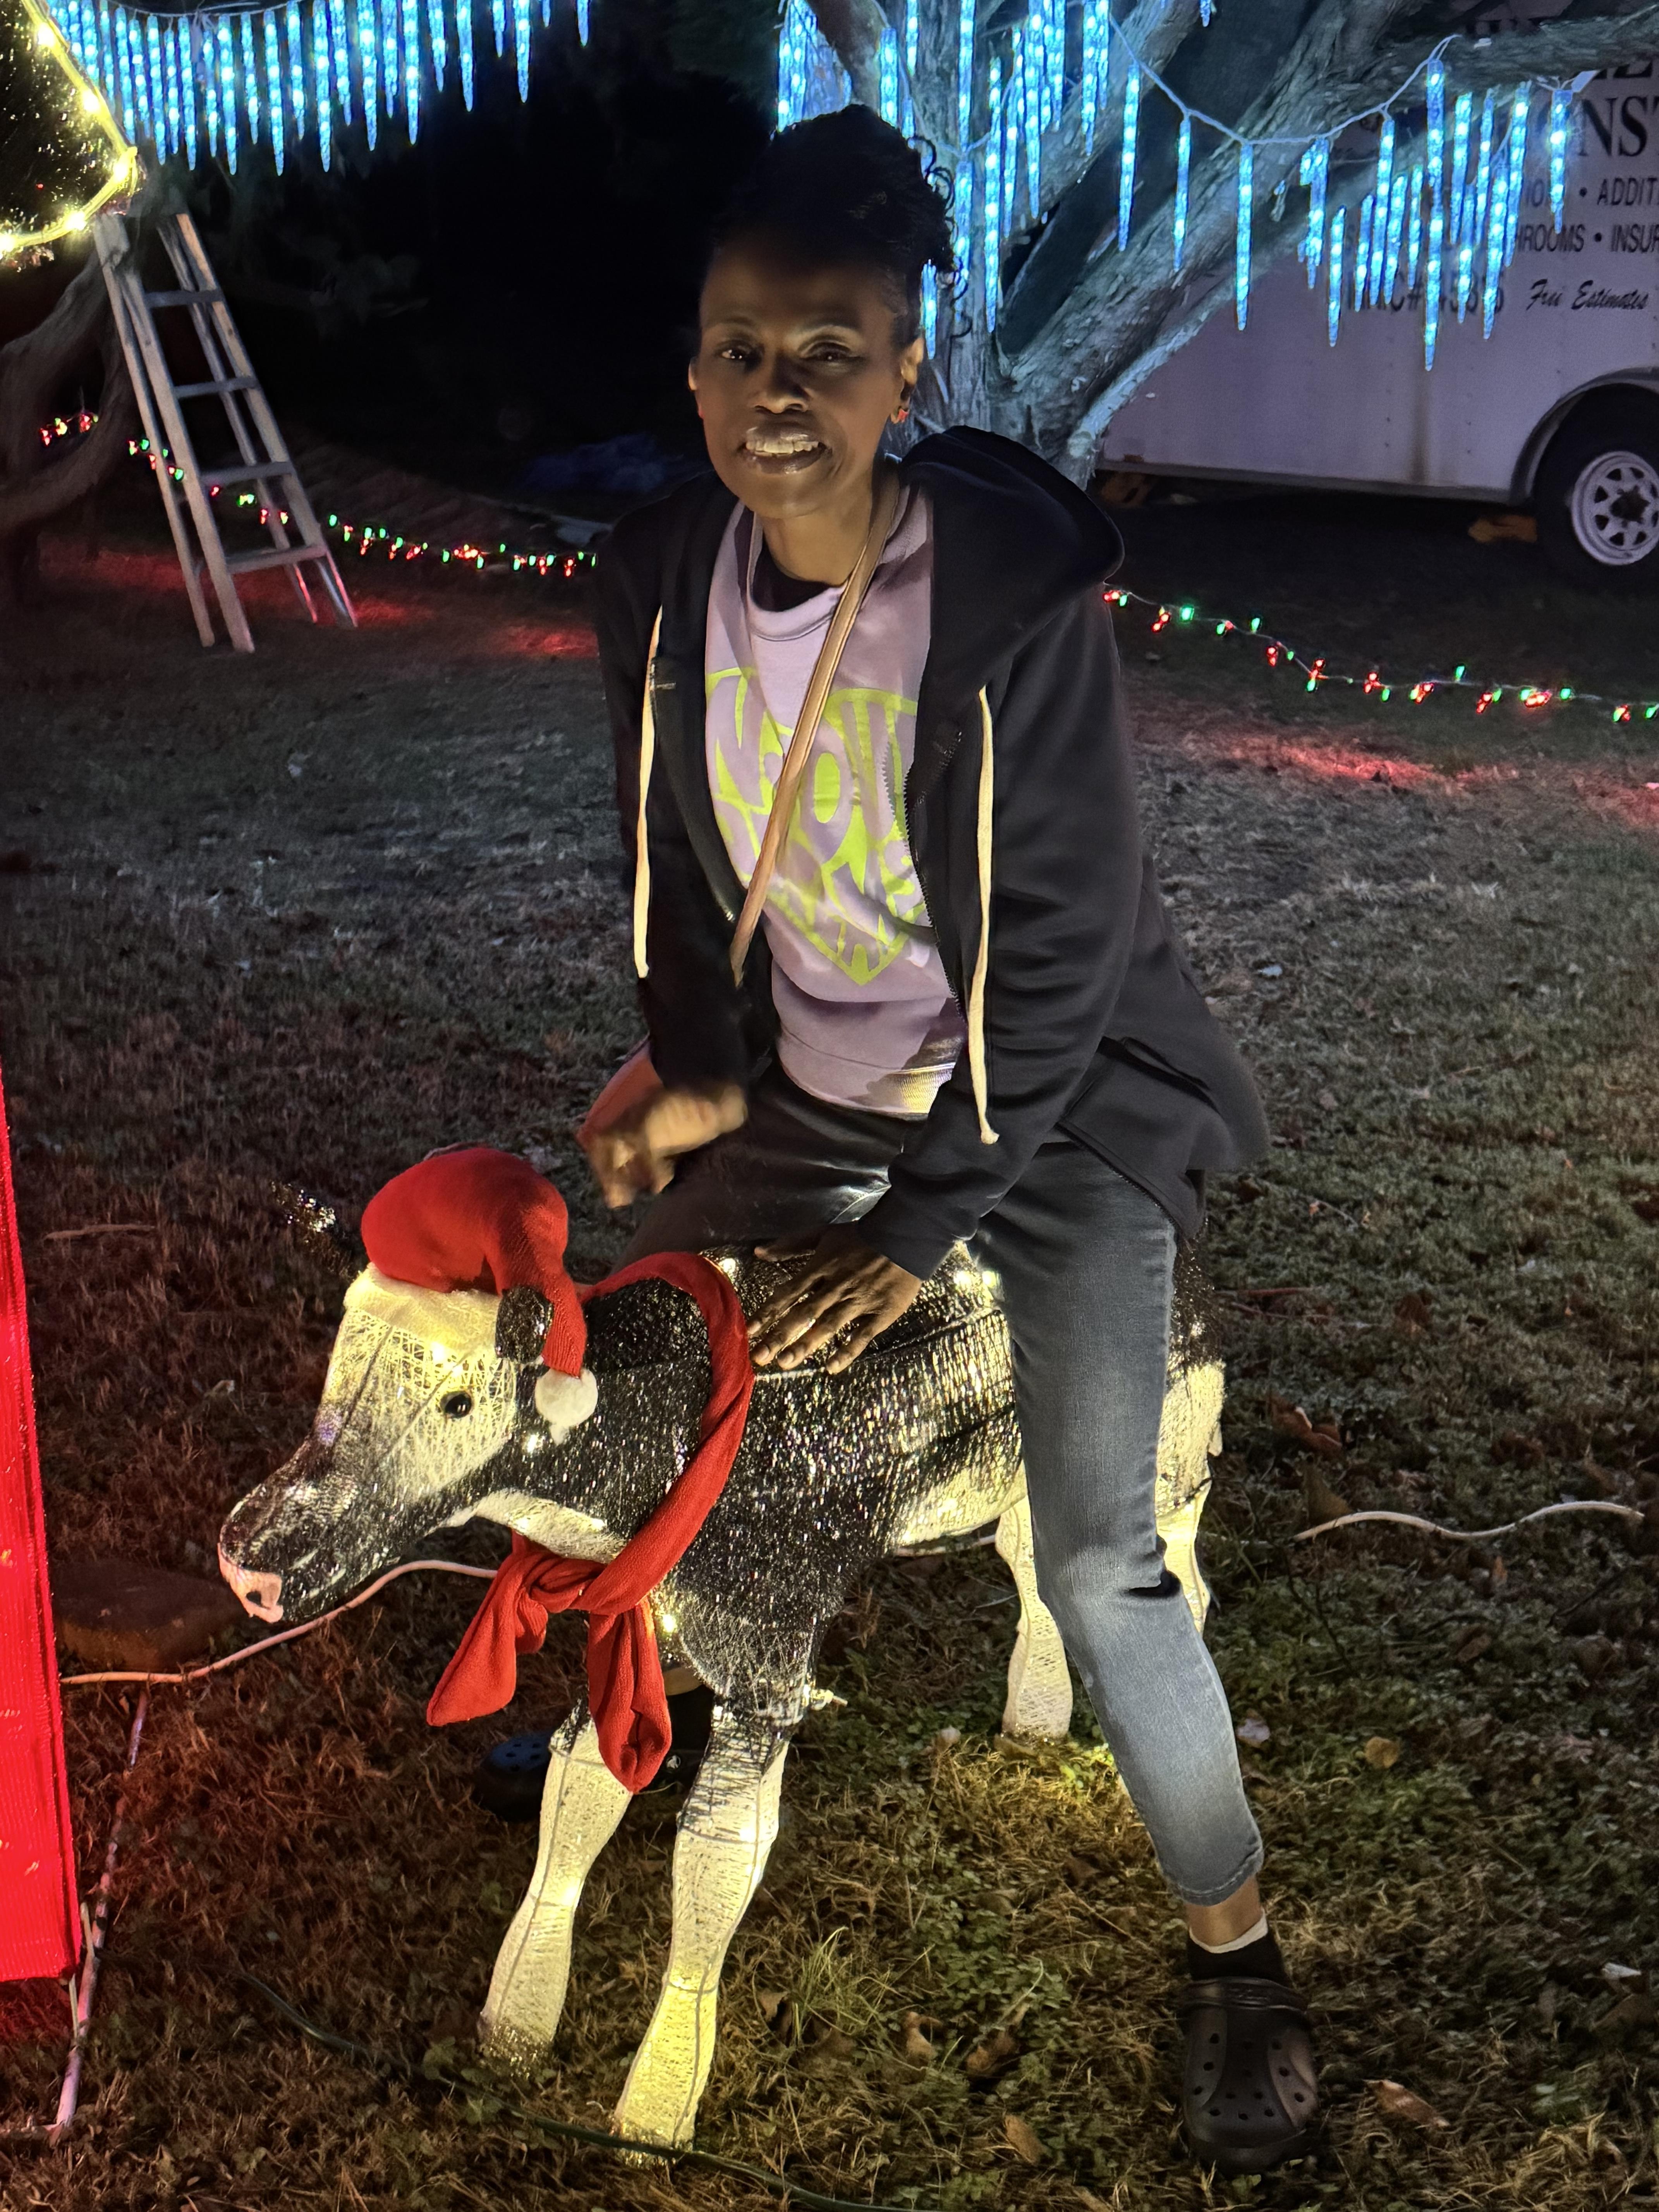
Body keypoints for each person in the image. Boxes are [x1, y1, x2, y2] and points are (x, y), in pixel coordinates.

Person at [585, 105, 1318, 2176]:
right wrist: (702, 1074)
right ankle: (612, 1689)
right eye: (744, 348)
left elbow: (1066, 960)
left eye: (831, 350)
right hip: (822, 1092)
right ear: (697, 369)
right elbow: (669, 882)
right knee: (593, 1325)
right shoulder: (659, 586)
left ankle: (1238, 1956)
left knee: (1097, 1558)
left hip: (1051, 1116)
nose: (781, 389)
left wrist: (913, 1243)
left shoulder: (1009, 605)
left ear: (911, 377)